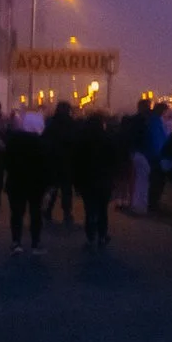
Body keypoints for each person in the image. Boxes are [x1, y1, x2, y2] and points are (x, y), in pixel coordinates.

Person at [71, 108, 123, 250]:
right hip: (104, 179)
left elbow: (76, 161)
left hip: (86, 179)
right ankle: (102, 235)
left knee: (89, 209)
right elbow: (115, 160)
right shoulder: (108, 139)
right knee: (102, 209)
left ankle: (90, 236)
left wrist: (76, 181)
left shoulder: (82, 140)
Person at [4, 107, 48, 253]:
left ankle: (16, 242)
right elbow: (47, 164)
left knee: (17, 213)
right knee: (36, 213)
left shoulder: (13, 141)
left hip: (16, 181)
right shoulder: (41, 143)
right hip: (36, 183)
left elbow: (6, 162)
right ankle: (35, 243)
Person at [43, 101, 78, 226]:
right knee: (66, 189)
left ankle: (48, 210)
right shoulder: (72, 124)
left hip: (53, 160)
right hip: (67, 161)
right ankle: (67, 213)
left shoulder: (51, 123)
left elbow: (45, 140)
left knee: (52, 187)